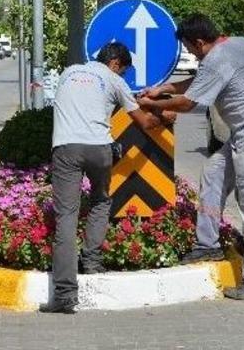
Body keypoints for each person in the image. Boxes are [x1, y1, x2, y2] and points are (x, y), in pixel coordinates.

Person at [137, 14, 244, 300]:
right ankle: (208, 244)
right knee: (213, 173)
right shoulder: (238, 44)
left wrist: (150, 103)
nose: (192, 55)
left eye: (191, 49)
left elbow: (189, 102)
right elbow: (200, 80)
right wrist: (163, 88)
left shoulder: (215, 60)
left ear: (200, 42)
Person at [41, 42, 175, 314]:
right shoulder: (114, 80)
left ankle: (65, 295)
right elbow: (145, 123)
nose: (123, 75)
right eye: (124, 70)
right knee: (101, 201)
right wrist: (164, 115)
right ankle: (91, 260)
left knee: (66, 215)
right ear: (116, 63)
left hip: (65, 148)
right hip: (99, 149)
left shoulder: (68, 72)